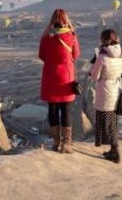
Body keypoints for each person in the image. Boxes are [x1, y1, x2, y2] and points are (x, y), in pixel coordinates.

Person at [38, 9, 80, 153]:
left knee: (53, 110)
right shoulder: (72, 36)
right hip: (66, 78)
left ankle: (56, 142)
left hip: (50, 77)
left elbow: (41, 55)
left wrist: (52, 62)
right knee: (66, 110)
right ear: (66, 20)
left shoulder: (46, 37)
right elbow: (76, 54)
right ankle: (67, 144)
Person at [90, 29, 122, 163]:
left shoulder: (102, 57)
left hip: (105, 91)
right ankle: (113, 149)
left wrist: (93, 65)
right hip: (116, 89)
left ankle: (115, 151)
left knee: (107, 124)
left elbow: (94, 76)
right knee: (112, 121)